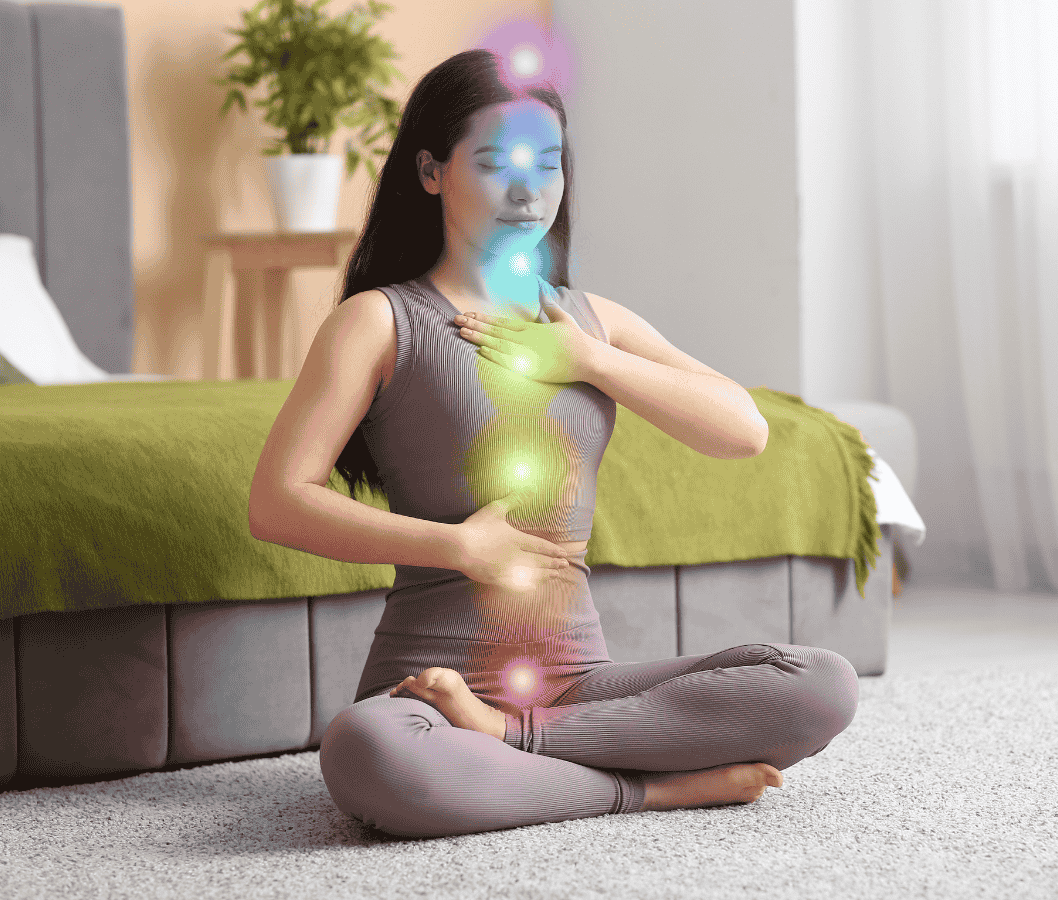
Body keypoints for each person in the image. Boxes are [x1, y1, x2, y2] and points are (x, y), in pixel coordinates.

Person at [247, 46, 859, 839]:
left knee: (821, 684)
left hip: (576, 685)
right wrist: (460, 547)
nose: (529, 190)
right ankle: (647, 790)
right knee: (367, 749)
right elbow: (277, 501)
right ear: (432, 172)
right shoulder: (380, 319)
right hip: (433, 691)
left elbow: (742, 429)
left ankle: (516, 744)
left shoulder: (590, 322)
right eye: (497, 162)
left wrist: (587, 359)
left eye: (548, 164)